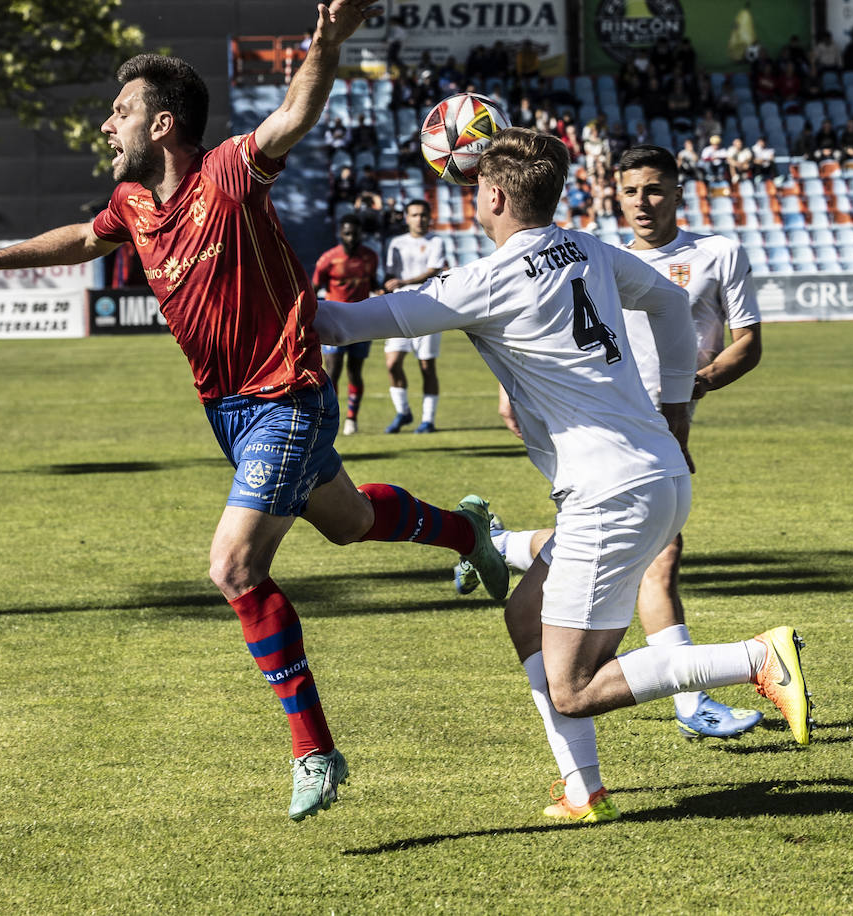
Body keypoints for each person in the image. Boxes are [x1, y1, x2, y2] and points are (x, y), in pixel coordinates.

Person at [0, 0, 511, 823]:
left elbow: (292, 117)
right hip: (231, 415)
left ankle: (315, 750)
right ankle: (468, 532)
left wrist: (326, 42)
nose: (107, 125)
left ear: (164, 126)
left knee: (235, 567)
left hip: (287, 395)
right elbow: (86, 239)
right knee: (345, 523)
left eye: (120, 111)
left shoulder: (228, 173)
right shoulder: (134, 206)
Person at [314, 129, 812, 823]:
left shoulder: (481, 282)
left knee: (574, 685)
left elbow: (336, 324)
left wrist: (242, 287)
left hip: (609, 492)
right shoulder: (589, 248)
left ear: (489, 195)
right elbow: (671, 304)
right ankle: (584, 790)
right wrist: (675, 408)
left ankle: (755, 659)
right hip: (655, 475)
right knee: (526, 615)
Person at [478, 143, 771, 743]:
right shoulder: (594, 255)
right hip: (596, 425)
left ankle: (494, 541)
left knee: (633, 544)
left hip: (661, 421)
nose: (643, 201)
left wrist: (693, 386)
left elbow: (749, 343)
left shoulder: (716, 254)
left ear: (679, 192)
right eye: (631, 190)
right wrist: (515, 388)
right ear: (616, 195)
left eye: (656, 189)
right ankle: (695, 699)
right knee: (654, 552)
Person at [381, 199, 450, 433]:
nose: (419, 219)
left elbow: (433, 271)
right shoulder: (396, 243)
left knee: (427, 366)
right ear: (407, 218)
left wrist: (403, 281)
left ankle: (428, 419)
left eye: (423, 215)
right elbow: (389, 275)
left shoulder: (436, 241)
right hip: (399, 308)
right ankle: (403, 412)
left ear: (429, 217)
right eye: (414, 215)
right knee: (392, 363)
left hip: (428, 307)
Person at [313, 214, 380, 435]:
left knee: (355, 370)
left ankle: (352, 418)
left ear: (361, 233)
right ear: (340, 233)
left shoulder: (369, 257)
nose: (351, 237)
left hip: (362, 321)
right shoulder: (328, 259)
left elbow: (373, 282)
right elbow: (313, 290)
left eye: (355, 233)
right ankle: (330, 418)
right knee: (332, 370)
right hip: (334, 322)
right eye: (347, 233)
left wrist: (381, 288)